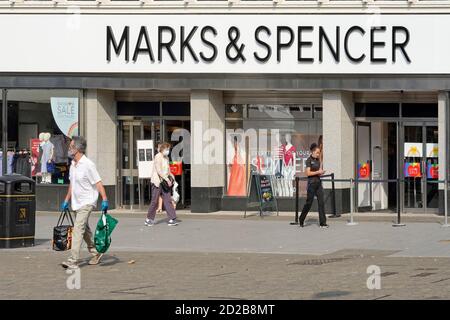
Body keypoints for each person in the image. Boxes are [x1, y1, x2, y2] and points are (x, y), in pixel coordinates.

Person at [61, 136, 109, 269]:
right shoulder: (73, 165)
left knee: (78, 229)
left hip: (87, 202)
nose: (69, 149)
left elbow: (98, 183)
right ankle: (96, 252)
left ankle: (73, 260)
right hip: (76, 202)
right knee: (85, 230)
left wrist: (104, 199)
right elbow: (72, 184)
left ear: (77, 149)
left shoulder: (88, 165)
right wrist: (66, 200)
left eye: (71, 147)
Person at [145, 142, 178, 226]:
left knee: (168, 200)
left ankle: (172, 218)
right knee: (155, 201)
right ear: (162, 149)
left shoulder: (166, 158)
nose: (168, 151)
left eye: (168, 149)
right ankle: (148, 219)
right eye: (167, 149)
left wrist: (172, 177)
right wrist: (167, 179)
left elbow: (168, 170)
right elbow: (159, 171)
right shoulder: (157, 157)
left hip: (165, 182)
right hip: (157, 182)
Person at [299, 143, 329, 229]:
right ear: (313, 151)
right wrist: (317, 172)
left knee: (321, 203)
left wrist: (321, 172)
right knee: (309, 203)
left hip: (318, 183)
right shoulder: (308, 160)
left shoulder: (318, 161)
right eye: (317, 152)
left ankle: (322, 223)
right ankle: (301, 219)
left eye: (319, 153)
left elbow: (317, 173)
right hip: (311, 184)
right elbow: (308, 173)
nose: (318, 154)